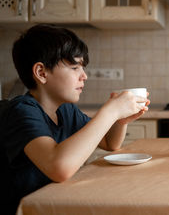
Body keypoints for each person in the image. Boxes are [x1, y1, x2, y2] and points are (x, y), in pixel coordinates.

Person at [0, 24, 150, 215]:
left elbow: (109, 142)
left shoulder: (66, 110)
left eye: (83, 67)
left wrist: (121, 119)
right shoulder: (22, 111)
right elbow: (59, 168)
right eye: (74, 67)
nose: (84, 76)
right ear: (41, 73)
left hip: (55, 203)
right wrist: (110, 112)